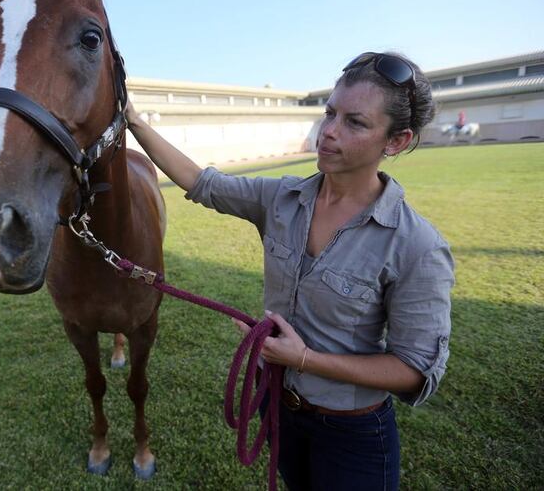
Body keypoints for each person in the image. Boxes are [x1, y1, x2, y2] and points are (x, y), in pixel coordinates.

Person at [125, 51, 454, 491]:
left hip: (351, 433)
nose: (329, 132)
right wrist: (132, 120)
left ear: (395, 141)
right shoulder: (280, 199)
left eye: (355, 123)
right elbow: (203, 182)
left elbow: (413, 369)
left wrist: (304, 359)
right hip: (279, 407)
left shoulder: (417, 245)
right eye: (330, 113)